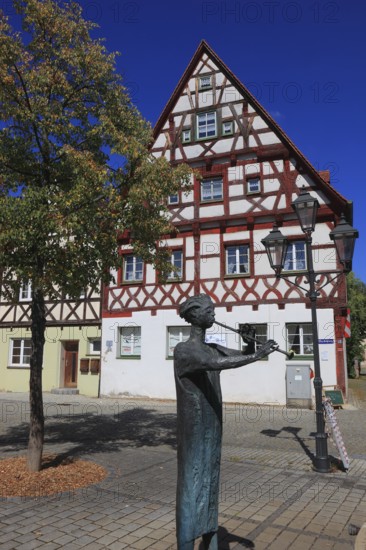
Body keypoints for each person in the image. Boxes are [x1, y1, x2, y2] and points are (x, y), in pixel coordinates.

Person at [174, 294, 277, 550]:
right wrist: (256, 355)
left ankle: (210, 533)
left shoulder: (211, 347)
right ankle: (186, 540)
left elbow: (236, 355)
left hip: (211, 428)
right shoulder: (185, 350)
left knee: (210, 484)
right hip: (194, 432)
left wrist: (250, 345)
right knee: (192, 485)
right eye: (209, 311)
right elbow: (218, 363)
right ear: (195, 315)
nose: (214, 315)